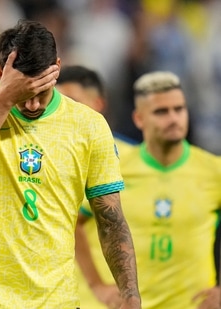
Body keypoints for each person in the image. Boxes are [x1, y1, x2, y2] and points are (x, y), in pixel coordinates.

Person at [0, 20, 141, 308]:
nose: (32, 105)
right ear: (0, 74)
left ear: (56, 67)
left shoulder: (89, 126)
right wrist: (5, 100)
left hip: (54, 301)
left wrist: (130, 294)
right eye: (24, 94)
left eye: (41, 92)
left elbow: (111, 221)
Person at [76, 71, 221, 308]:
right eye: (161, 112)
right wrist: (97, 285)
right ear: (139, 119)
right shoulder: (115, 167)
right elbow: (74, 222)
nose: (173, 118)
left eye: (179, 109)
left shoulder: (213, 170)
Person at [56, 65, 138, 308]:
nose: (62, 111)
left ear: (98, 104)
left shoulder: (132, 159)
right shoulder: (42, 158)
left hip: (113, 297)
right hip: (66, 295)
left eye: (72, 101)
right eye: (56, 102)